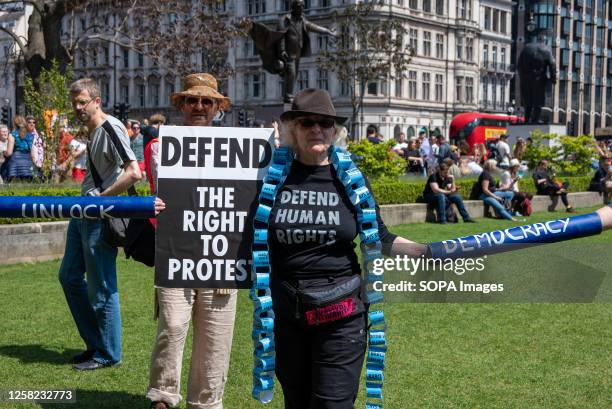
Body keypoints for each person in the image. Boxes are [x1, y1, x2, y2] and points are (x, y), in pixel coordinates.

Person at [270, 88, 426, 409]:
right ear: (292, 129)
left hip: (341, 317)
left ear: (334, 130)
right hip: (288, 316)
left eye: (325, 123)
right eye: (307, 122)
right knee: (296, 403)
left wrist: (427, 252)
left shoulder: (351, 180)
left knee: (332, 405)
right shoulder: (272, 178)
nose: (316, 129)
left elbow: (379, 237)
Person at [147, 73, 237, 409]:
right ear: (181, 105)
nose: (199, 106)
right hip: (176, 251)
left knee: (216, 335)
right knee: (171, 324)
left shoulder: (237, 150)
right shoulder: (161, 147)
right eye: (192, 100)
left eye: (206, 101)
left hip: (220, 253)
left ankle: (206, 402)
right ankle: (163, 396)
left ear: (217, 107)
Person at [59, 78, 141, 371]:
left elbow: (134, 173)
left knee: (102, 285)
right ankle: (96, 343)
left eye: (83, 101)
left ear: (97, 101)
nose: (78, 107)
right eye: (75, 102)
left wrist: (101, 200)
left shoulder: (110, 127)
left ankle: (108, 353)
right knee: (69, 276)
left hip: (98, 217)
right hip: (83, 215)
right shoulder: (93, 130)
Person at [5, 115, 34, 181]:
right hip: (27, 162)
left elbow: (9, 153)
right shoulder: (30, 135)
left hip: (15, 163)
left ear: (14, 124)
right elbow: (32, 153)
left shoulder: (12, 135)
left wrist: (4, 153)